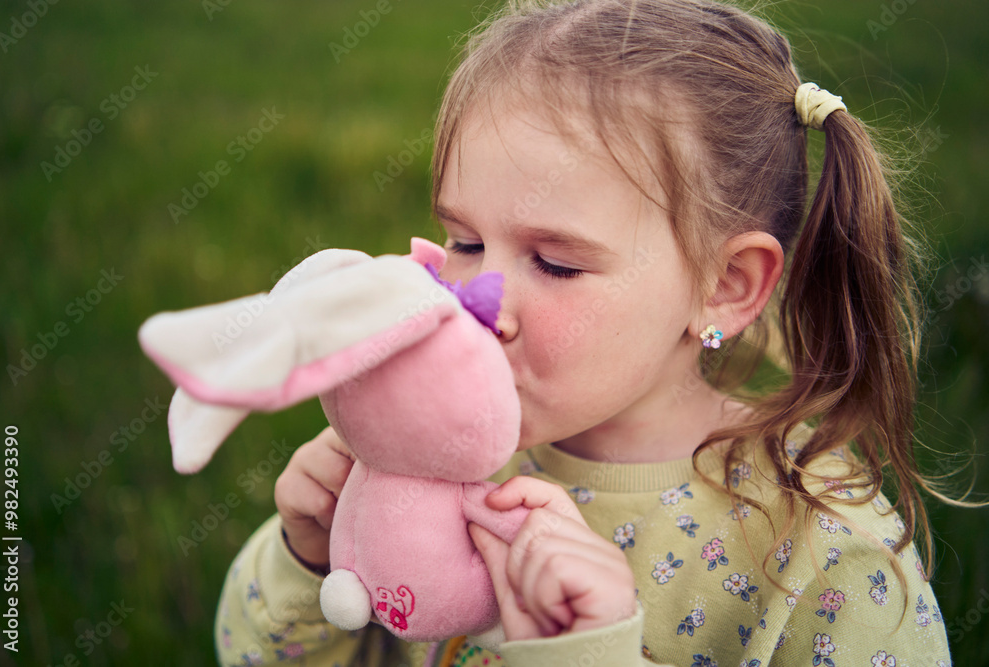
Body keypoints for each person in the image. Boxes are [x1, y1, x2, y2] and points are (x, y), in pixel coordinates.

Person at [213, 1, 955, 665]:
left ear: (725, 288)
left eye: (556, 262)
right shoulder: (437, 451)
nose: (477, 301)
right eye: (465, 242)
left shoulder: (824, 562)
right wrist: (308, 558)